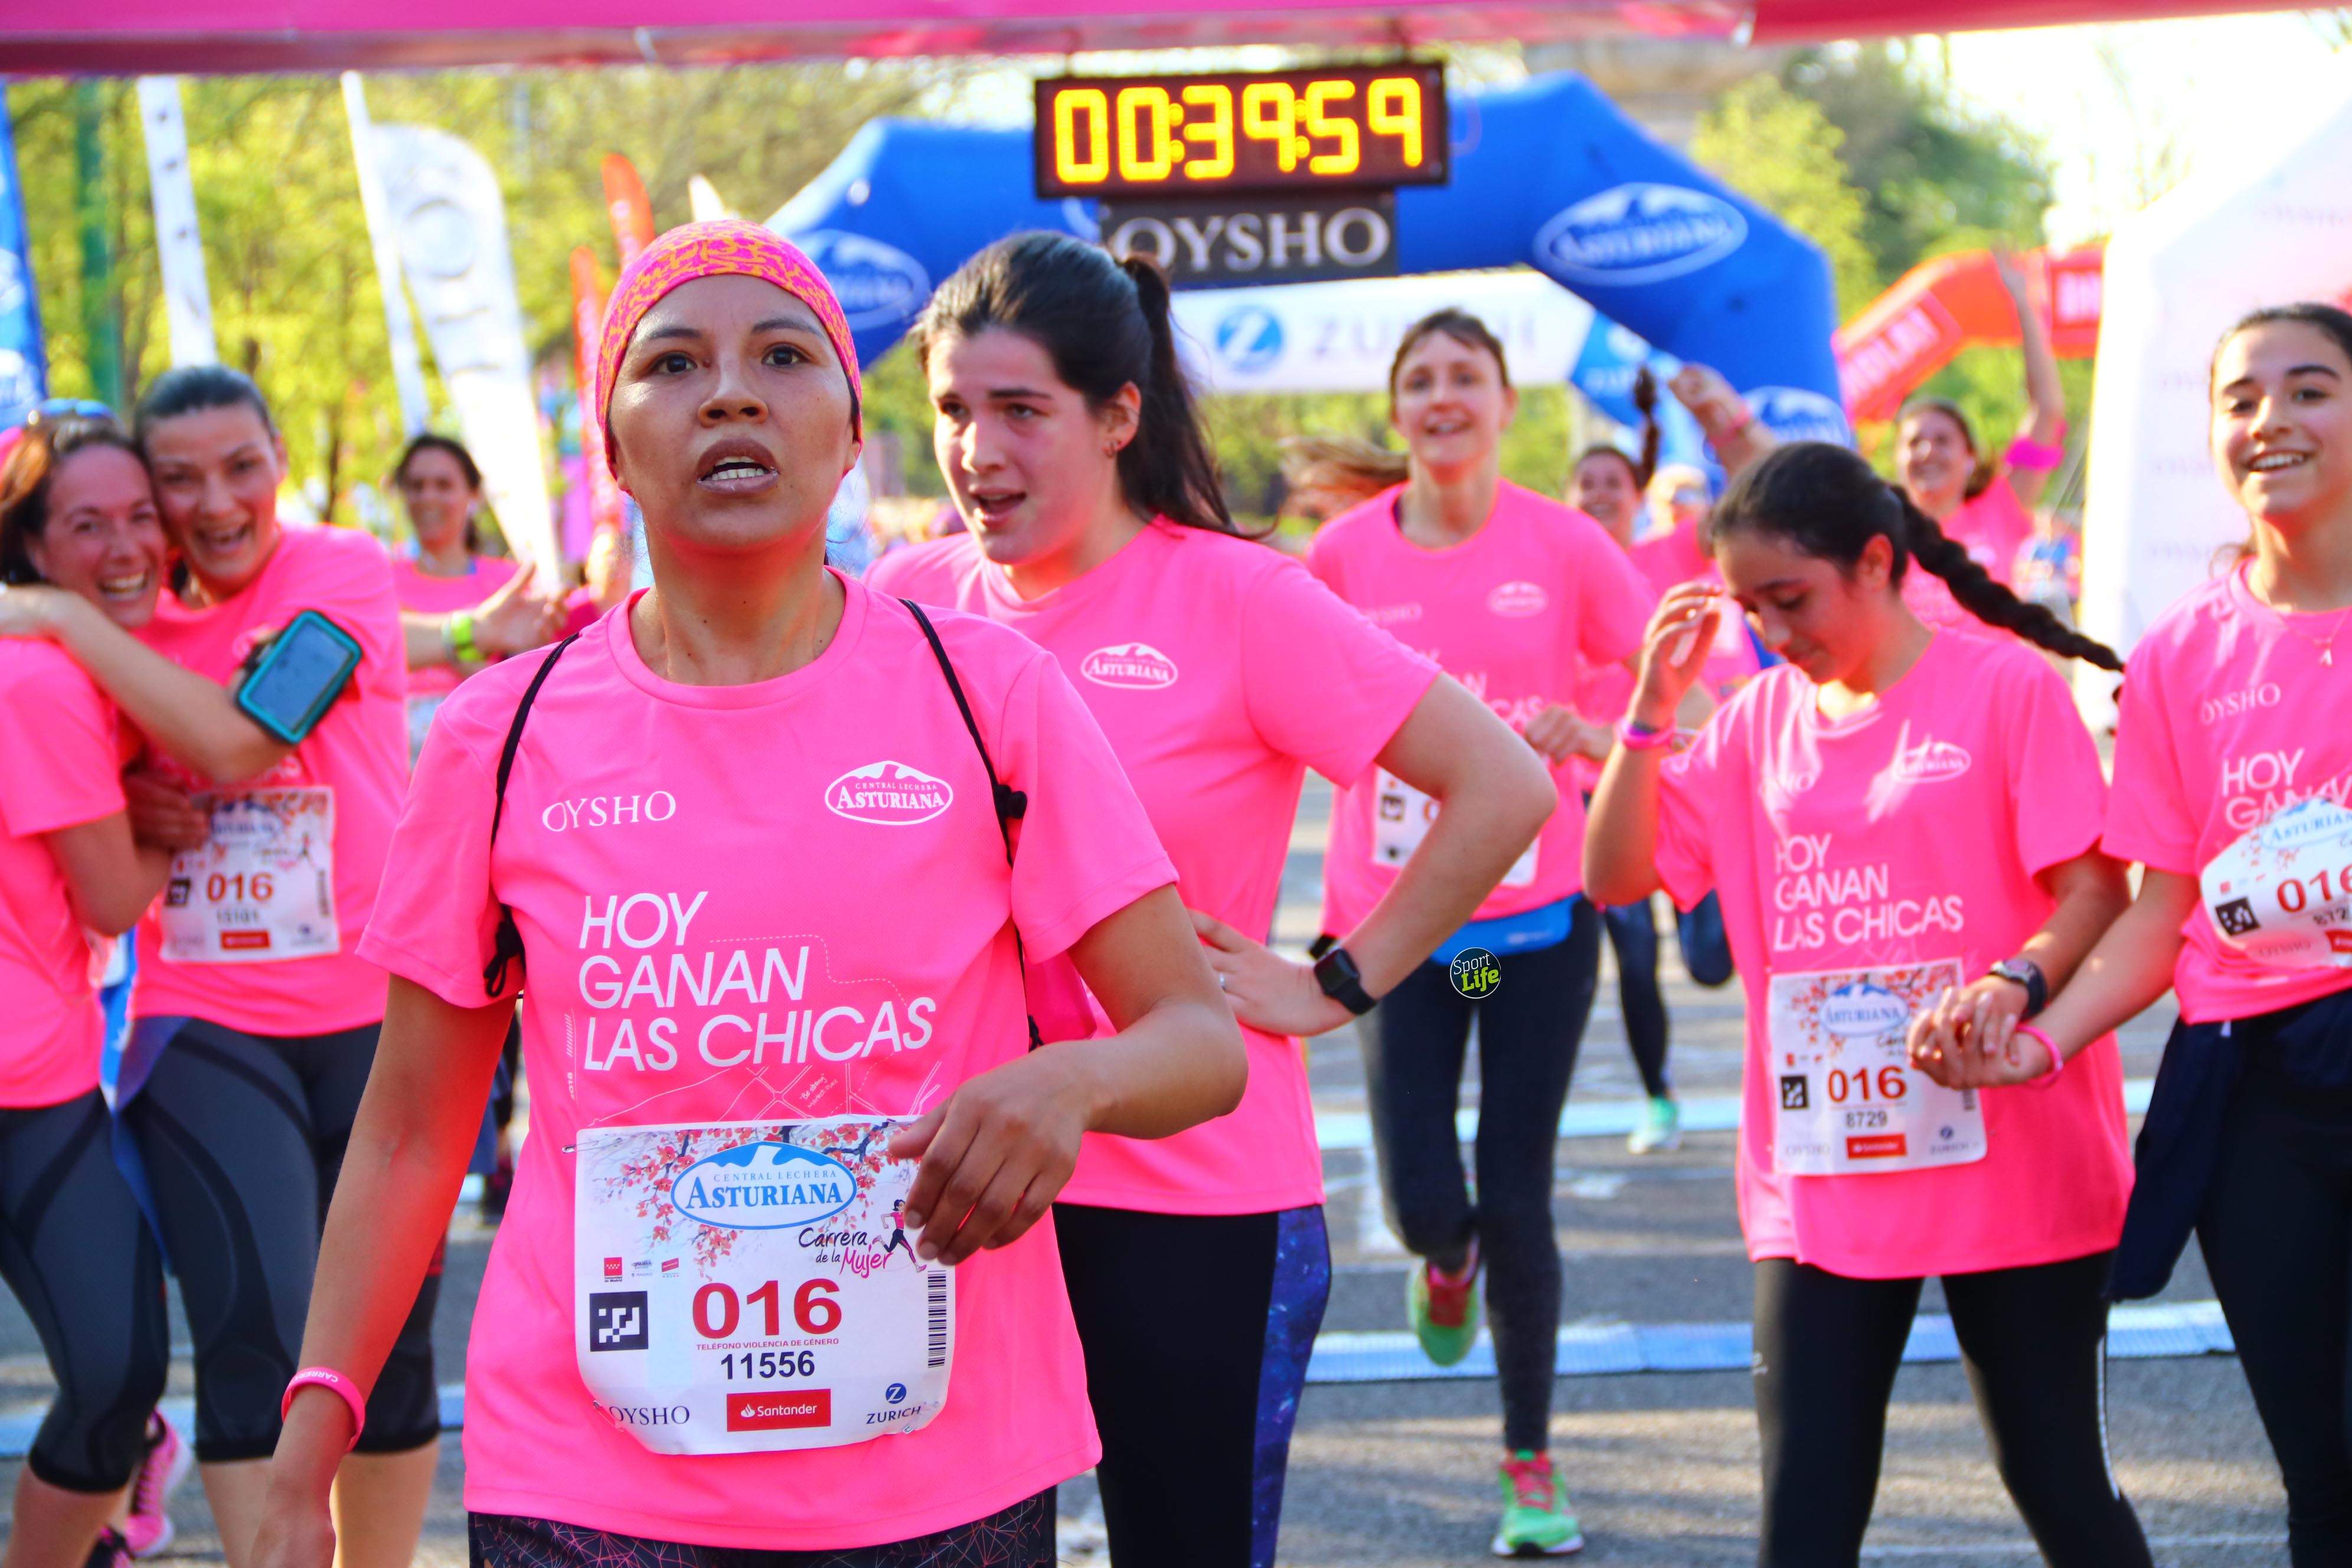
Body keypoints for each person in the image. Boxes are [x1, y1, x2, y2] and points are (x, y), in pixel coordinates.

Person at [244, 220, 1246, 1568]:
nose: (729, 394)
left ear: (849, 433)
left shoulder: (988, 694)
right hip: (587, 1485)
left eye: (782, 356)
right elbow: (414, 1134)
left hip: (939, 1475)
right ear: (610, 450)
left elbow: (1197, 1041)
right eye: (672, 364)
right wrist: (309, 1442)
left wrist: (1070, 1084)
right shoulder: (501, 730)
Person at [870, 233, 1553, 1568]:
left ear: (1117, 416)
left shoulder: (1236, 599)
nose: (975, 450)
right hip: (955, 1186)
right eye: (953, 408)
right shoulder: (904, 605)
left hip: (1192, 1197)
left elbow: (1502, 785)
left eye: (1021, 410)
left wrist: (1334, 979)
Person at [1583, 440, 2151, 1567]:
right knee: (1803, 1515)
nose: (1771, 632)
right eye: (1749, 608)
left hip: (2013, 1157)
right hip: (1821, 1179)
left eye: (1789, 599)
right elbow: (1611, 874)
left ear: (1877, 563)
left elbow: (2096, 891)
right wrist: (1647, 711)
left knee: (2057, 1489)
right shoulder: (1753, 721)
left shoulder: (2002, 689)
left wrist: (2011, 983)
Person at [1917, 303, 2352, 1565]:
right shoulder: (2177, 660)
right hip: (2251, 1092)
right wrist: (2040, 1039)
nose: (2269, 421)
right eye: (2240, 400)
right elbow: (2162, 908)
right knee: (2323, 1473)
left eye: (2309, 390)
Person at [0, 367, 439, 1568]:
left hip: (382, 1015)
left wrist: (63, 619)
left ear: (281, 458)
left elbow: (245, 740)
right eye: (179, 480)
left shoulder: (338, 569)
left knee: (391, 1349)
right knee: (259, 1337)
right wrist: (135, 800)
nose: (215, 500)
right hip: (208, 1023)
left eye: (241, 466)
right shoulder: (119, 627)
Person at [1302, 307, 1658, 1556]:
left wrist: (1596, 735)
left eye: (1466, 376)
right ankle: (1440, 1263)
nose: (1443, 396)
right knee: (1420, 1202)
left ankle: (1529, 1459)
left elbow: (1672, 690)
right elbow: (1278, 707)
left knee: (1517, 1195)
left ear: (1506, 404)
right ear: (1398, 410)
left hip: (1532, 931)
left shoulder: (1564, 545)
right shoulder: (1341, 558)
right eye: (1421, 379)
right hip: (1395, 933)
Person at [0, 411, 175, 1568]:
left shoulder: (79, 669)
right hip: (27, 1078)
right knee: (117, 1373)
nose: (123, 547)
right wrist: (170, 826)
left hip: (41, 1074)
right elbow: (113, 896)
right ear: (31, 547)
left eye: (140, 517)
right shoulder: (38, 678)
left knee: (119, 1374)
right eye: (86, 524)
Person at [1567, 406, 1688, 1154]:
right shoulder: (1553, 576)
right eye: (1586, 482)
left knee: (1708, 962)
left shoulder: (1669, 557)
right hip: (1596, 798)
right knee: (1634, 959)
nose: (1600, 493)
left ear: (1640, 496)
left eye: (1614, 481)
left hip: (1680, 786)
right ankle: (1659, 1097)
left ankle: (1708, 923)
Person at [1894, 252, 2066, 632]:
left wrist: (2024, 304)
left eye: (1943, 441)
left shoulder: (2000, 507)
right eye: (1914, 442)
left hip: (1993, 670)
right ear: (1897, 457)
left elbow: (2048, 410)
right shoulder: (1878, 527)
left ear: (1970, 457)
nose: (1927, 451)